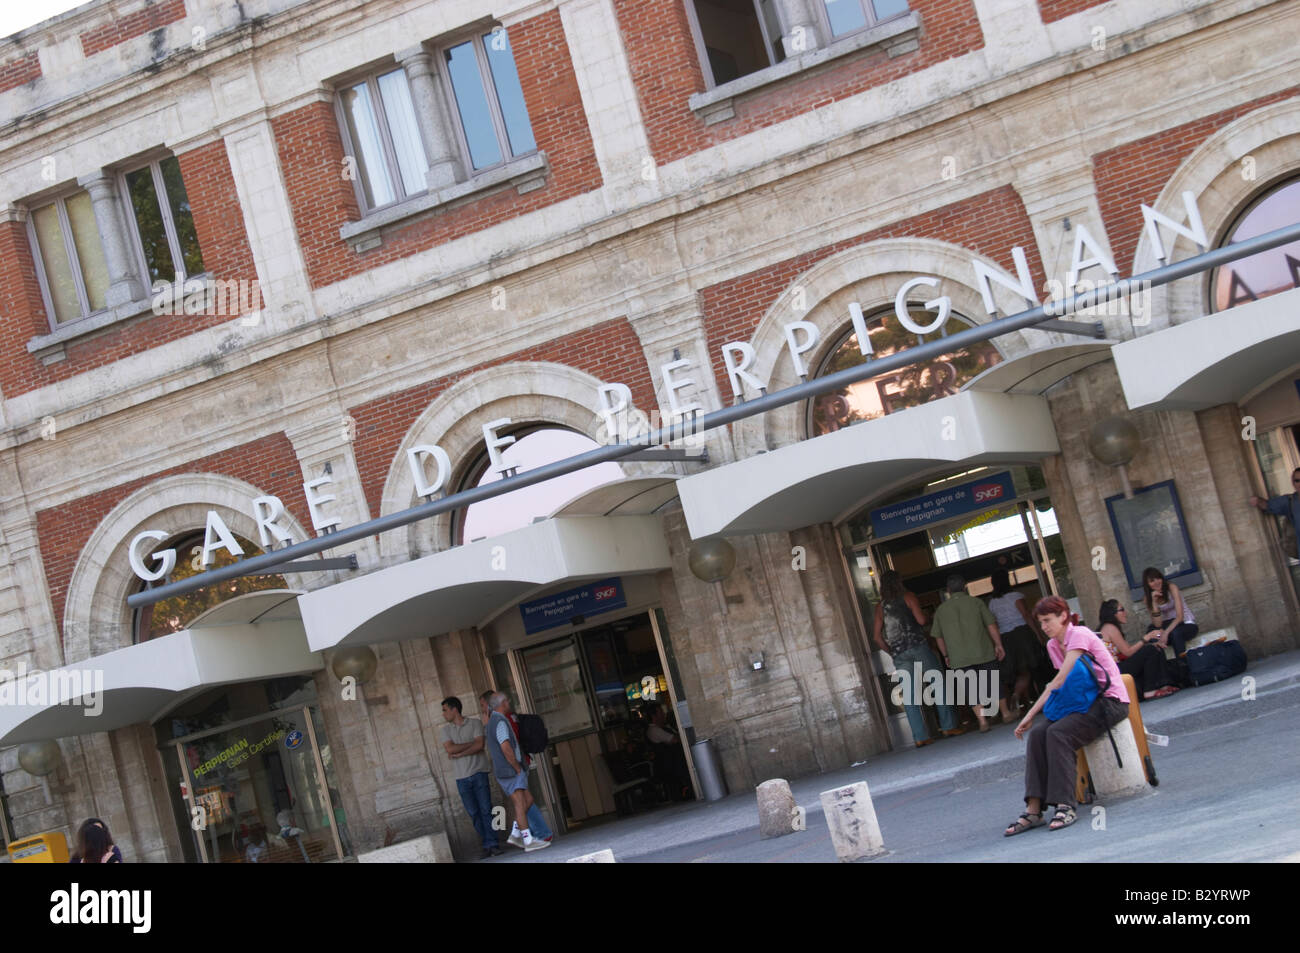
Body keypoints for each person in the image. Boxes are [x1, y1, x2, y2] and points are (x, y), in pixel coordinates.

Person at [1003, 596, 1130, 836]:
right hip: (1081, 701)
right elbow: (1062, 686)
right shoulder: (1052, 645)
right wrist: (1034, 720)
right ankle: (1033, 809)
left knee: (1058, 733)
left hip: (1108, 701)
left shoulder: (1079, 635)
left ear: (1063, 616)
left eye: (1048, 620)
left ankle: (1065, 804)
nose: (1044, 627)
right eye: (1040, 622)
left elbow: (1059, 680)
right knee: (1039, 734)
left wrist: (1029, 713)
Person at [872, 570, 961, 747]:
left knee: (910, 695)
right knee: (937, 684)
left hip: (900, 654)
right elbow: (921, 621)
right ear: (899, 582)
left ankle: (920, 737)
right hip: (918, 647)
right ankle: (948, 726)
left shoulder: (880, 607)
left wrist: (892, 652)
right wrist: (928, 617)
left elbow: (876, 637)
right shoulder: (909, 596)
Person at [930, 574, 1006, 732]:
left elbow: (938, 636)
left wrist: (945, 655)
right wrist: (998, 644)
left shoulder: (941, 610)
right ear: (965, 587)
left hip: (959, 657)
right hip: (983, 651)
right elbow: (991, 625)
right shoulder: (976, 602)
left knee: (971, 688)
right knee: (993, 682)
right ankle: (1005, 713)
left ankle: (982, 721)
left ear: (948, 591)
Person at [480, 690, 553, 847]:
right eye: (507, 701)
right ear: (503, 703)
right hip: (510, 770)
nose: (509, 703)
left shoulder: (493, 721)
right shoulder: (499, 721)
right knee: (520, 804)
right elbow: (505, 746)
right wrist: (516, 767)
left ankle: (515, 833)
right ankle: (527, 839)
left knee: (528, 800)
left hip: (507, 770)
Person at [441, 696, 500, 859]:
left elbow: (480, 745)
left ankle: (492, 844)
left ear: (454, 709)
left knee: (486, 809)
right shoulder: (445, 730)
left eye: (445, 710)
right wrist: (469, 745)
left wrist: (460, 753)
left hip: (479, 772)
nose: (443, 714)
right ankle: (487, 842)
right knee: (474, 812)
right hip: (461, 777)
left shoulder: (474, 723)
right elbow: (450, 749)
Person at [1097, 599, 1179, 700]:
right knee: (1150, 650)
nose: (1125, 613)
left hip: (1118, 667)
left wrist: (1152, 643)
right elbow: (1128, 652)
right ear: (1112, 613)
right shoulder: (1109, 627)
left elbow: (1129, 651)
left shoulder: (1110, 627)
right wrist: (1147, 637)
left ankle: (1165, 684)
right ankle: (1149, 691)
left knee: (1155, 647)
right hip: (1114, 671)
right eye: (1121, 610)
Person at [986, 569, 1041, 718]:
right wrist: (1037, 633)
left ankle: (1025, 700)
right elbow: (1026, 615)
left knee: (1017, 671)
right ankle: (1021, 696)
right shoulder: (1016, 596)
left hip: (1005, 638)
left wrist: (997, 643)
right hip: (1022, 633)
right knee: (1029, 668)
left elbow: (994, 623)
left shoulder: (992, 602)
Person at [1141, 567, 1197, 657]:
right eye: (1152, 581)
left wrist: (1166, 633)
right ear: (1147, 584)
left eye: (1158, 578)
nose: (1156, 582)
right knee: (1152, 634)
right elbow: (1157, 624)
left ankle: (1183, 664)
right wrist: (1154, 602)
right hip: (1166, 626)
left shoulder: (1171, 587)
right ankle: (1162, 667)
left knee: (1176, 633)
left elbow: (1180, 617)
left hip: (1185, 624)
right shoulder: (1147, 598)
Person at [644, 702, 690, 799]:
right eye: (661, 712)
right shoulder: (654, 730)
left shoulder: (664, 727)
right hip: (669, 765)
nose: (663, 714)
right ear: (654, 716)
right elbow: (674, 740)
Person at [1249, 468, 1300, 552]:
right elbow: (1268, 505)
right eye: (1297, 480)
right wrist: (1257, 500)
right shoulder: (1289, 501)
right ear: (1293, 483)